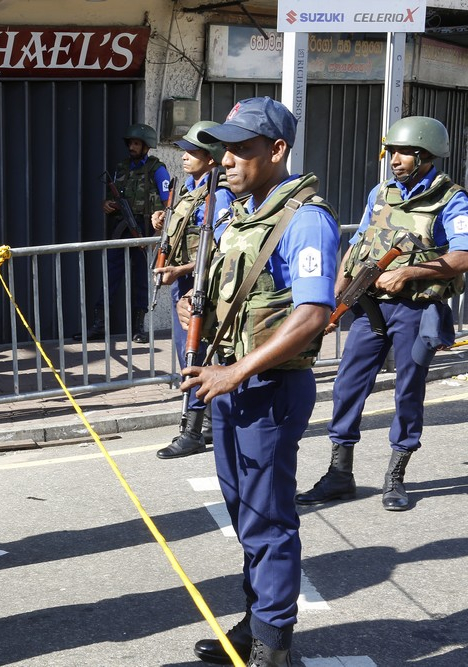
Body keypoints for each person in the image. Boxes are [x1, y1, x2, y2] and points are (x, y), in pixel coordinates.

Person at [178, 98, 340, 667]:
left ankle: (273, 645)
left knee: (268, 518)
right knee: (245, 514)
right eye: (223, 148)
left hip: (267, 389)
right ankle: (257, 620)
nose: (225, 160)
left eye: (241, 149)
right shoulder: (242, 212)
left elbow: (313, 314)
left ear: (276, 151)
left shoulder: (305, 219)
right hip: (232, 387)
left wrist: (235, 371)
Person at [296, 116, 468, 512]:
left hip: (415, 309)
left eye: (403, 153)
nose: (394, 160)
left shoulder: (451, 198)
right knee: (347, 385)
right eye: (391, 152)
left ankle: (395, 477)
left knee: (408, 391)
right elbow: (359, 242)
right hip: (368, 307)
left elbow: (461, 255)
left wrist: (408, 271)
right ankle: (340, 473)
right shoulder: (381, 191)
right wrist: (334, 291)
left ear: (425, 156)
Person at [153, 122, 234, 459]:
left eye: (193, 152)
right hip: (184, 283)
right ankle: (212, 425)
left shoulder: (220, 194)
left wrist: (179, 270)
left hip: (200, 285)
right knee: (192, 352)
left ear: (211, 158)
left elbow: (220, 248)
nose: (184, 157)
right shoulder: (191, 188)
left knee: (193, 356)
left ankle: (191, 432)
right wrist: (161, 218)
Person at [74, 122, 170, 343]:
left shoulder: (158, 170)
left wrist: (158, 226)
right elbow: (114, 197)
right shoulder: (121, 168)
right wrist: (107, 204)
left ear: (147, 146)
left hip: (143, 230)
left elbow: (168, 204)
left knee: (139, 279)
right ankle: (99, 325)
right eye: (131, 143)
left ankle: (139, 328)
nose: (132, 147)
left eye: (137, 143)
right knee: (110, 276)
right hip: (120, 228)